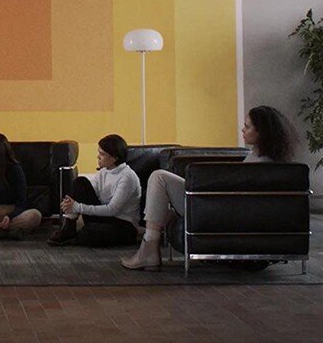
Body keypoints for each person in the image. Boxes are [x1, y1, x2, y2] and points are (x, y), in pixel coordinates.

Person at [122, 104, 298, 270]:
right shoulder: (263, 158)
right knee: (161, 192)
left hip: (216, 211)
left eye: (248, 126)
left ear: (262, 132)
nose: (243, 130)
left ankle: (149, 248)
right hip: (218, 207)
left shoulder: (260, 164)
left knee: (159, 177)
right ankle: (149, 246)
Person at [48, 133, 141, 248]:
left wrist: (77, 207)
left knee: (89, 232)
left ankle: (81, 235)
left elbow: (112, 209)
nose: (98, 157)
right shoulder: (104, 171)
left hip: (124, 224)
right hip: (105, 218)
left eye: (102, 154)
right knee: (80, 182)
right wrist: (69, 205)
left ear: (114, 158)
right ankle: (69, 227)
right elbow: (86, 191)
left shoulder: (127, 177)